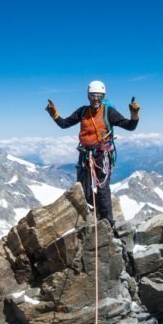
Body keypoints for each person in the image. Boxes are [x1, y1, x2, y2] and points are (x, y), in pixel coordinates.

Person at [45, 80, 139, 226]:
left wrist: (134, 115)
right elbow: (64, 124)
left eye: (99, 96)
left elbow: (130, 126)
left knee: (102, 188)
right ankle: (95, 214)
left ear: (103, 97)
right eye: (93, 96)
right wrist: (55, 115)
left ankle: (107, 221)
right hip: (85, 155)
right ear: (88, 96)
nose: (96, 99)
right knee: (84, 188)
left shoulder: (109, 112)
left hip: (102, 155)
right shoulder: (83, 112)